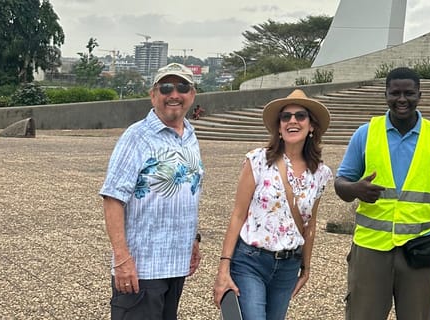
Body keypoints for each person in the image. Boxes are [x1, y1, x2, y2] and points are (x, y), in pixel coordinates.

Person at [334, 67, 430, 319]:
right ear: (385, 94)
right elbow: (340, 183)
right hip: (370, 250)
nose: (402, 99)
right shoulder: (365, 134)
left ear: (420, 94)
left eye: (409, 93)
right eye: (395, 93)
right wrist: (355, 189)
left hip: (418, 250)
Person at [212, 89, 332, 320]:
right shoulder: (257, 160)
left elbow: (311, 223)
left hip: (288, 266)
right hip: (251, 260)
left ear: (312, 126)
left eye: (300, 116)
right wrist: (223, 268)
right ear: (278, 127)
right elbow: (238, 215)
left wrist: (306, 268)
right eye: (285, 117)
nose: (292, 121)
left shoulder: (321, 173)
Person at [101, 62, 203, 319]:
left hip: (175, 265)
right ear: (153, 94)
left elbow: (187, 193)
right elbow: (113, 198)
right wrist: (122, 259)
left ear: (192, 94)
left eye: (182, 87)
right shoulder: (136, 136)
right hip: (142, 269)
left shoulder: (189, 136)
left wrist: (194, 240)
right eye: (166, 87)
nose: (174, 94)